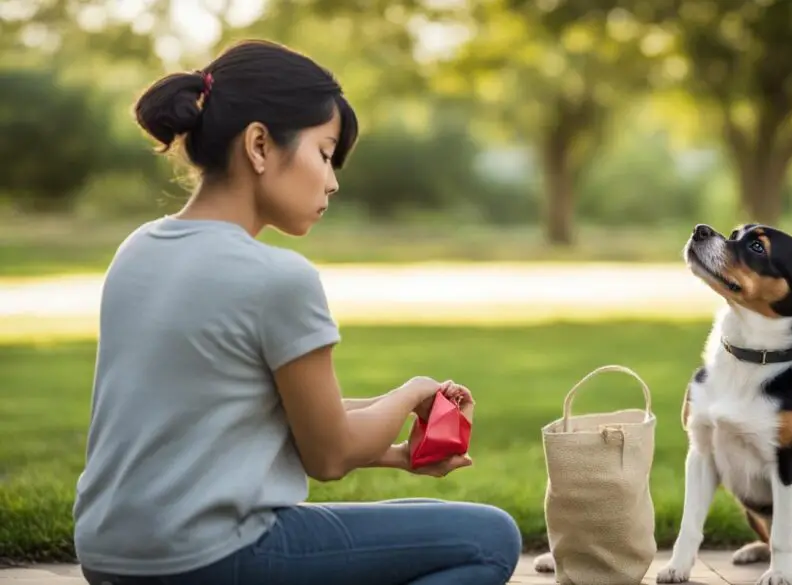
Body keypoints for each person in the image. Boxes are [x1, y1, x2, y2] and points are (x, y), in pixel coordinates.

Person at [72, 39, 521, 585]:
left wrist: (400, 450)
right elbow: (328, 456)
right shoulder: (279, 278)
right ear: (259, 144)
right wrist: (410, 392)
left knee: (433, 526)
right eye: (325, 153)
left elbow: (250, 414)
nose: (332, 180)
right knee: (489, 538)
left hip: (110, 556)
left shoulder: (137, 250)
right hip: (208, 559)